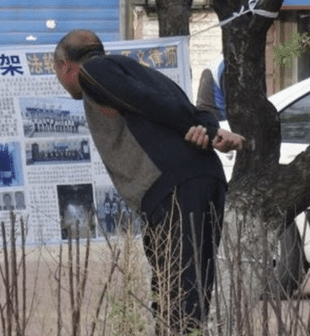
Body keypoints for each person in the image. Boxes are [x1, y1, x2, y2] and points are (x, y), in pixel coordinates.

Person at [54, 30, 245, 334]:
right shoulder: (147, 74)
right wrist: (207, 128)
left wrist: (207, 132)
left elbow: (147, 102)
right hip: (202, 182)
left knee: (178, 297)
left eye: (58, 74)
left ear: (65, 66)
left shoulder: (94, 71)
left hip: (174, 190)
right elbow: (185, 110)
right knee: (188, 294)